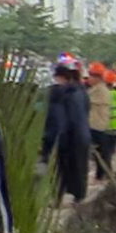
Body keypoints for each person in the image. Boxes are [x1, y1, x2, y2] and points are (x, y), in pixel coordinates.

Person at [41, 63, 91, 206]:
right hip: (82, 135)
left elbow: (61, 119)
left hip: (68, 137)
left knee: (60, 170)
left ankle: (57, 198)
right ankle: (79, 196)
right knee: (80, 167)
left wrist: (56, 138)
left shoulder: (62, 95)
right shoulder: (82, 92)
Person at [86, 63, 116, 180]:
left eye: (91, 75)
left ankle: (105, 176)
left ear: (98, 77)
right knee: (100, 153)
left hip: (98, 126)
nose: (89, 78)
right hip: (95, 125)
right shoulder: (95, 89)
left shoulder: (101, 91)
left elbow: (87, 102)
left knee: (102, 154)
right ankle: (101, 176)